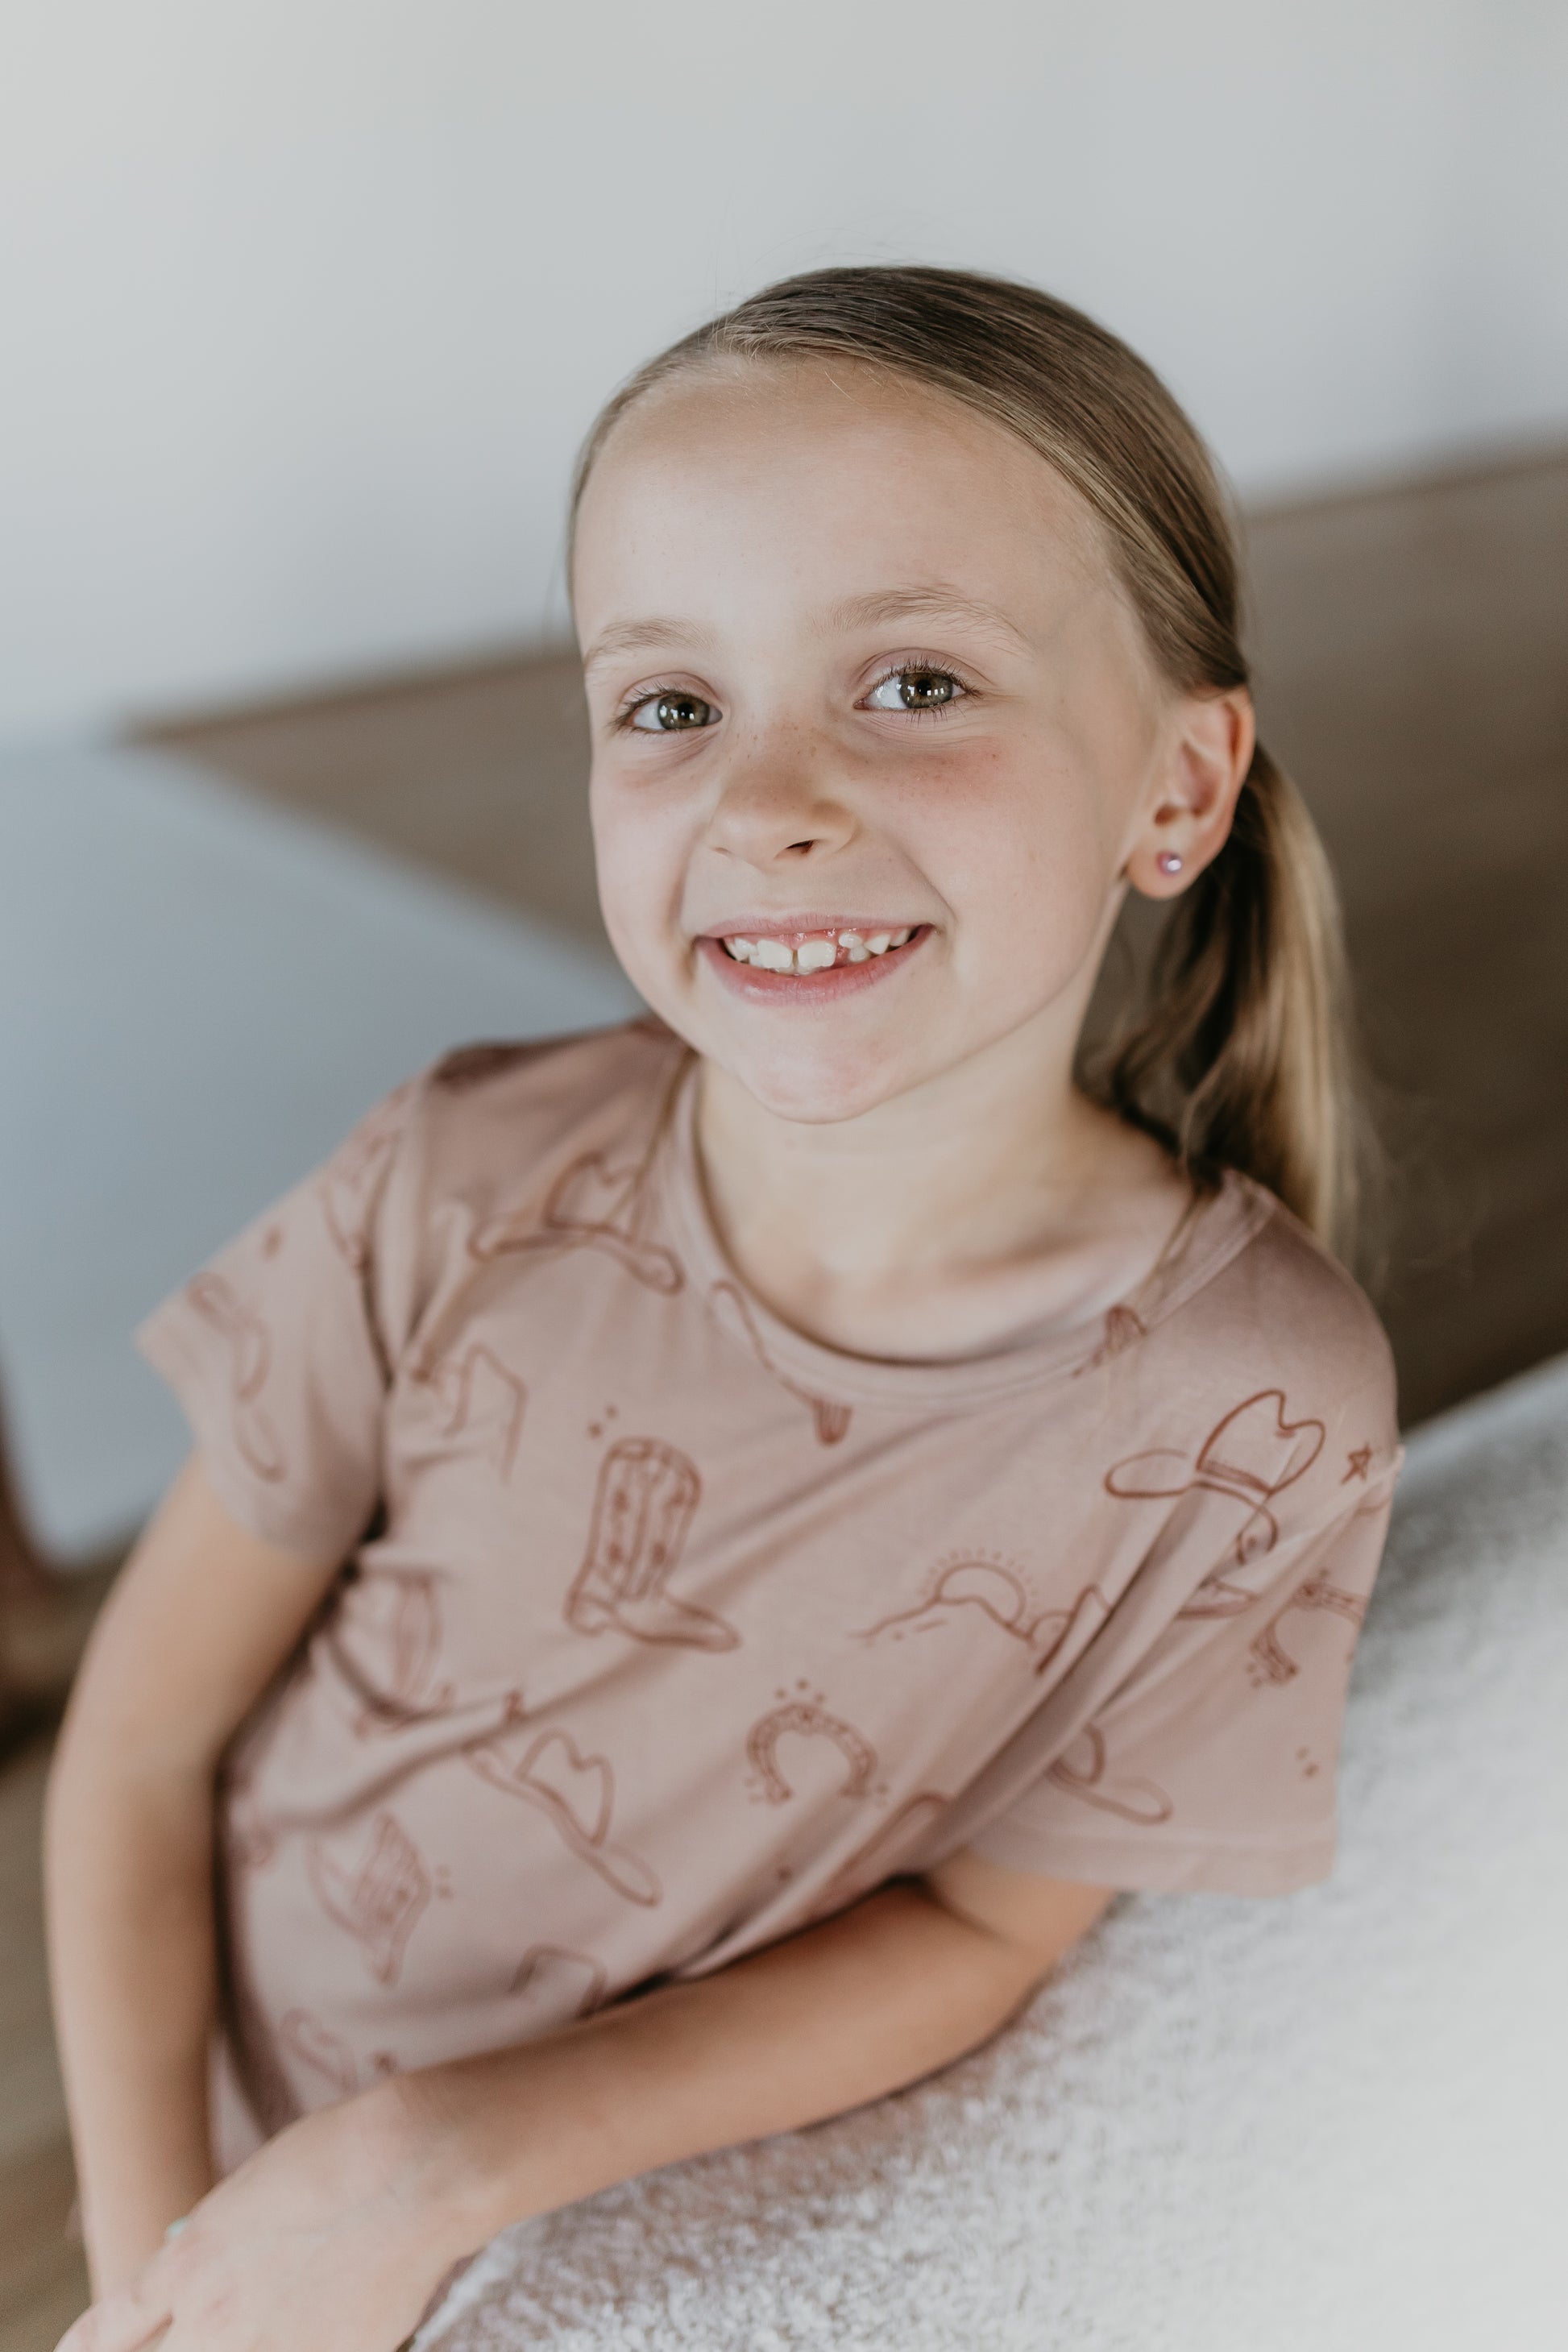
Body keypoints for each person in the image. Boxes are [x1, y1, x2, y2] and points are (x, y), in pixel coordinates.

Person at [48, 267, 1401, 2352]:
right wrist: (168, 2277)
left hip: (625, 2250)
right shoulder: (451, 1179)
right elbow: (137, 1752)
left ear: (1177, 790)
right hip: (221, 2161)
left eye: (915, 682)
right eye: (670, 705)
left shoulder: (1260, 1409)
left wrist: (445, 2159)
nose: (767, 799)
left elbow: (984, 1924)